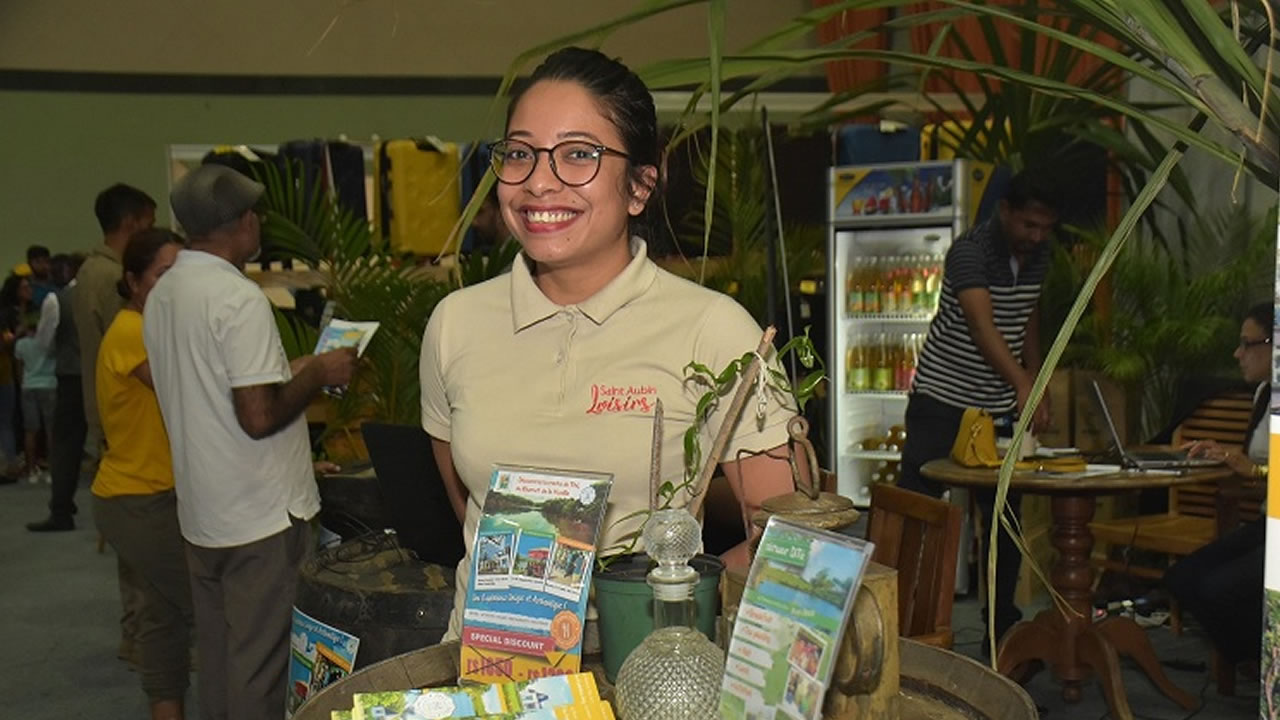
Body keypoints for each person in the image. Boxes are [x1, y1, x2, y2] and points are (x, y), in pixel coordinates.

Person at [419, 47, 800, 640]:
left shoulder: (717, 332)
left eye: (579, 155)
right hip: (487, 677)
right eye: (519, 154)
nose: (539, 182)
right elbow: (467, 508)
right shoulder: (454, 324)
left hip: (643, 672)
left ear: (641, 186)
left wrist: (678, 600)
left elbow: (788, 541)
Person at [143, 163, 357, 720]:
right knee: (260, 672)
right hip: (259, 516)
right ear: (241, 222)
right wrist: (317, 373)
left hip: (204, 511)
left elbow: (212, 387)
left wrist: (295, 367)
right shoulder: (238, 299)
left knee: (218, 658)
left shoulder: (165, 293)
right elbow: (258, 416)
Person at [898, 170, 1059, 645]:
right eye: (1029, 224)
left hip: (994, 408)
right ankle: (909, 624)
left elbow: (1026, 317)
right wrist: (1025, 383)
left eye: (1046, 228)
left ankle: (1002, 635)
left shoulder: (1038, 256)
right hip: (941, 400)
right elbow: (981, 325)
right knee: (921, 510)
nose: (1037, 236)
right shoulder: (970, 251)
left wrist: (1037, 380)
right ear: (1006, 211)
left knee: (1004, 519)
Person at [93, 228, 191, 720]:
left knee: (164, 619)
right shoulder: (133, 331)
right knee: (203, 609)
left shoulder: (153, 327)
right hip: (137, 500)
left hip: (154, 496)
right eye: (161, 275)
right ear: (133, 281)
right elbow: (186, 387)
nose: (173, 286)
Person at [1165, 301, 1272, 672]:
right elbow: (1252, 467)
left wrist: (1256, 472)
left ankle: (1263, 670)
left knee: (1219, 588)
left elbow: (1259, 471)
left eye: (1247, 343)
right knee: (1182, 578)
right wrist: (1222, 457)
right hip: (1266, 522)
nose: (1237, 353)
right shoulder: (1263, 395)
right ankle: (1258, 663)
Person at [75, 183, 156, 460]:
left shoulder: (89, 269)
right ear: (131, 224)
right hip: (125, 410)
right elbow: (129, 354)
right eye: (150, 225)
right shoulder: (115, 279)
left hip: (104, 406)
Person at [26, 253, 89, 531]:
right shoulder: (107, 292)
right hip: (105, 374)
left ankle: (61, 508)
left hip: (71, 377)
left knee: (66, 444)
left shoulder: (57, 301)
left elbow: (44, 343)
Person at [13, 326, 55, 483]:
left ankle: (31, 471)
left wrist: (23, 382)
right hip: (50, 385)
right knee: (51, 430)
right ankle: (51, 470)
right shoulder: (50, 342)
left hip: (29, 386)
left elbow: (19, 368)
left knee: (30, 431)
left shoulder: (21, 344)